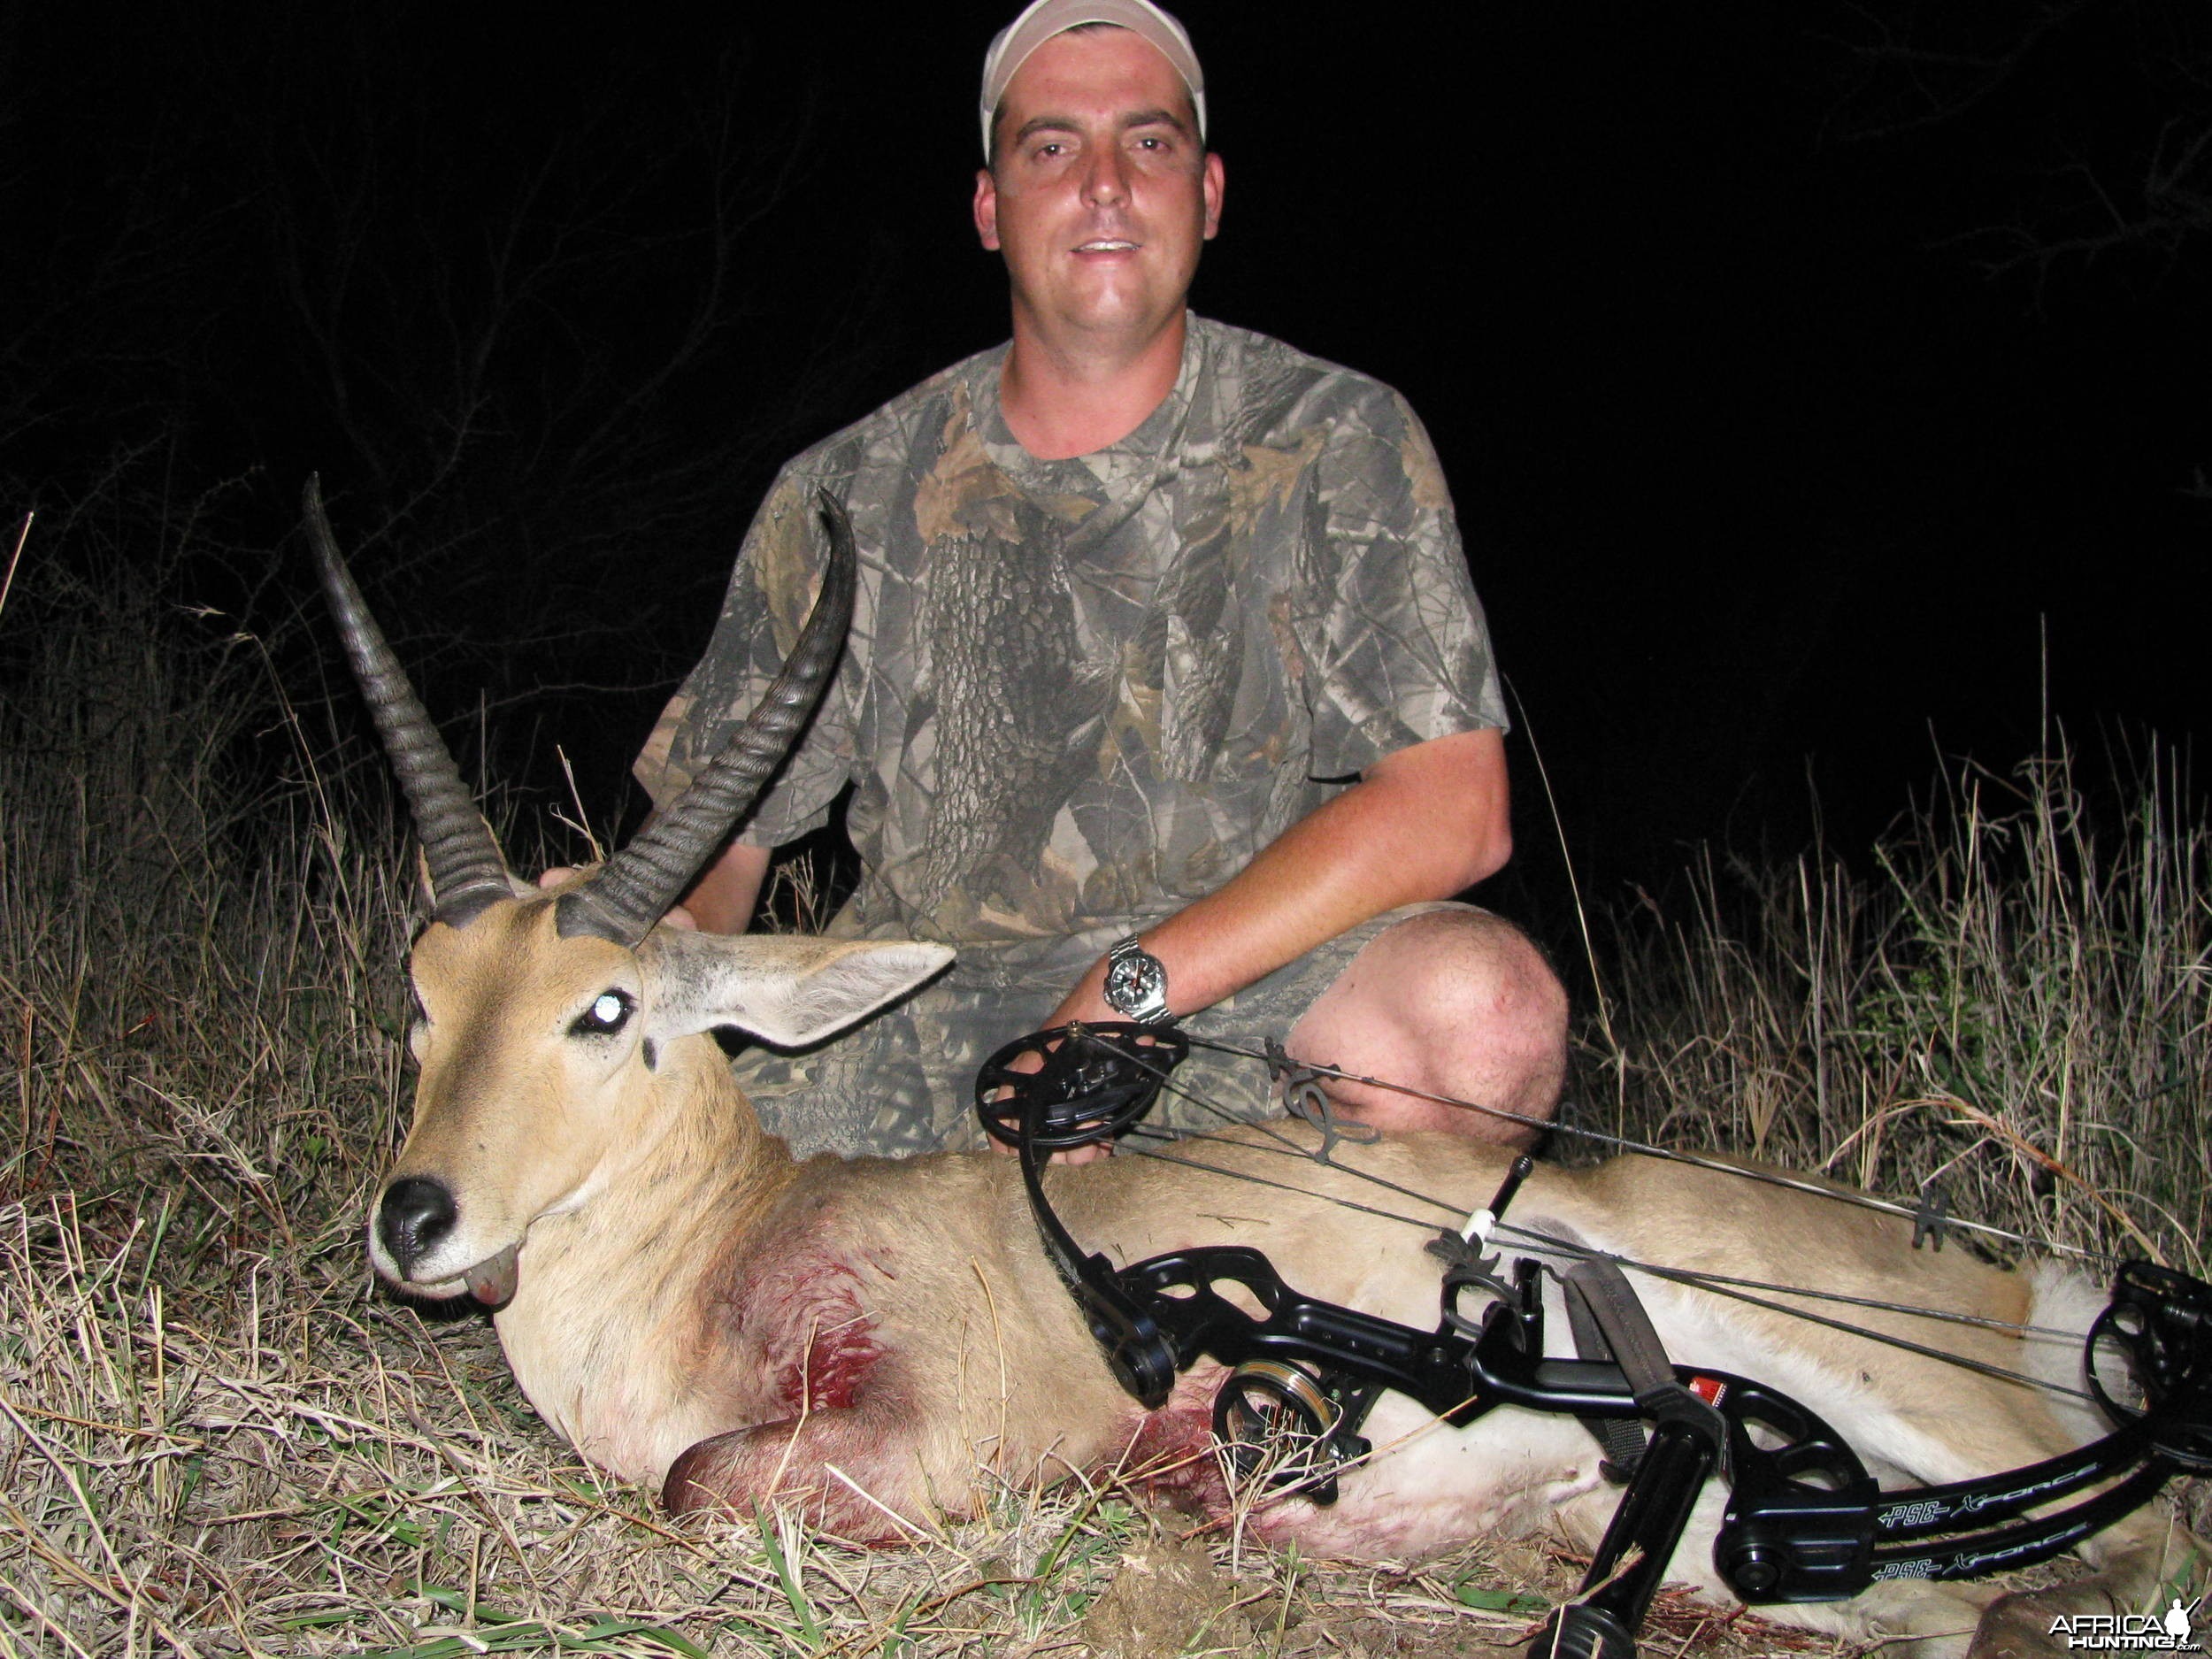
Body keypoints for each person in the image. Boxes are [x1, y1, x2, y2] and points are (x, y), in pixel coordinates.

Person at [626, 0, 1569, 1159]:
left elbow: (1453, 810)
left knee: (1485, 1014)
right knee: (636, 1185)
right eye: (1053, 146)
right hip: (920, 1029)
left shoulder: (1337, 437)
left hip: (1232, 997)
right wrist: (629, 948)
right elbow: (718, 843)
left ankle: (1293, 1310)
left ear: (1210, 194)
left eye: (1152, 141)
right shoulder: (843, 489)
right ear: (988, 208)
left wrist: (1127, 995)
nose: (1107, 183)